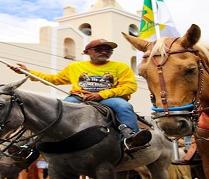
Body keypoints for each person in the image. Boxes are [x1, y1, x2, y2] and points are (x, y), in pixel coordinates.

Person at [10, 39, 152, 150]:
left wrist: (102, 95)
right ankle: (30, 144)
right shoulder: (75, 67)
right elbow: (53, 79)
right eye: (98, 49)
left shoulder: (121, 67)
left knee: (124, 106)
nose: (104, 52)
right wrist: (27, 72)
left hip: (110, 98)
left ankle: (132, 138)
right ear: (87, 52)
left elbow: (130, 86)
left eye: (108, 50)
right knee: (56, 111)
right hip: (79, 98)